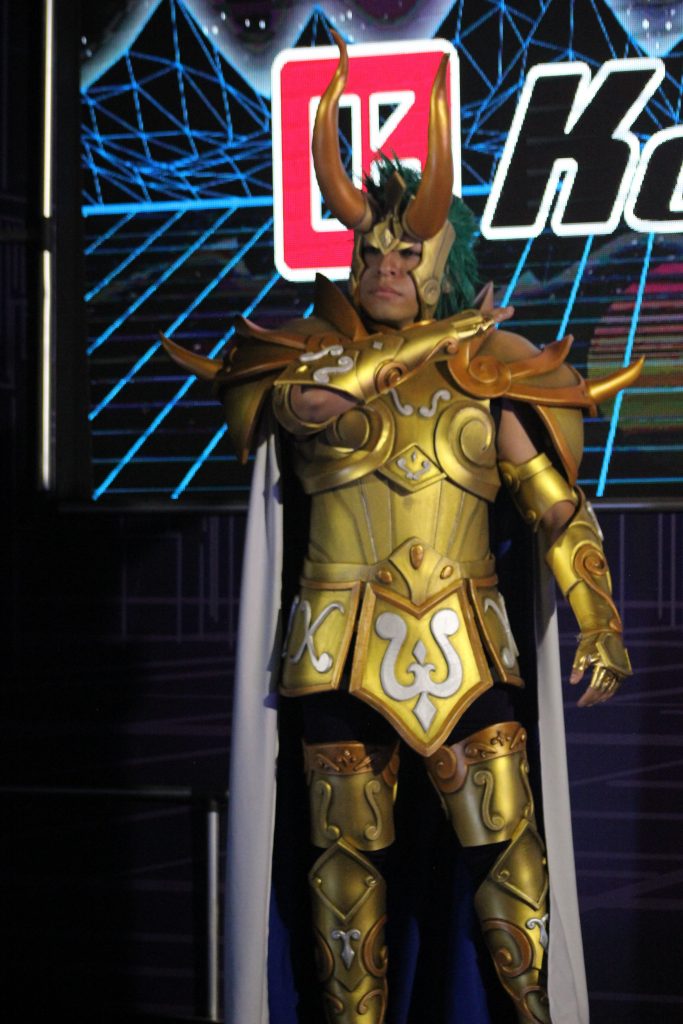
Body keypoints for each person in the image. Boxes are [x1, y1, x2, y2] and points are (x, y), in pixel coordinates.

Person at [164, 34, 640, 1024]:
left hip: (469, 650)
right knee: (344, 884)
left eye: (406, 250)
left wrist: (596, 615)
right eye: (370, 251)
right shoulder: (304, 359)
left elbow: (552, 502)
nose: (385, 264)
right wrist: (432, 336)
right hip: (335, 655)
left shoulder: (488, 373)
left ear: (442, 258)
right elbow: (310, 409)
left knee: (510, 872)